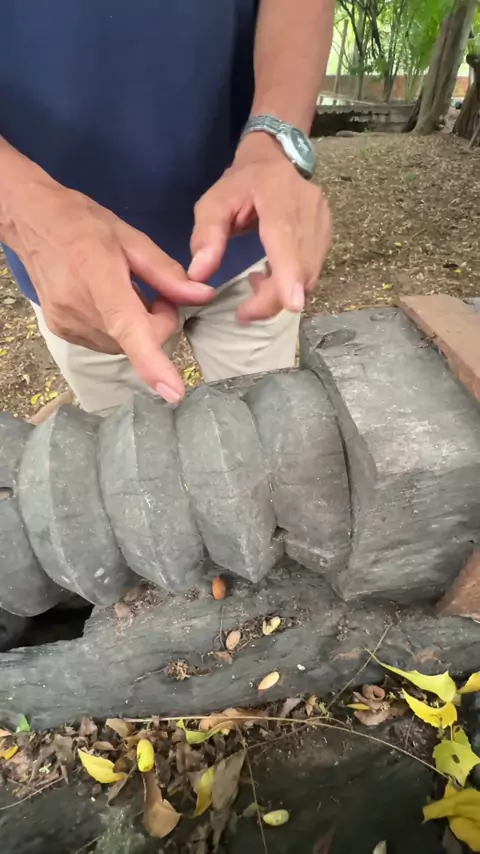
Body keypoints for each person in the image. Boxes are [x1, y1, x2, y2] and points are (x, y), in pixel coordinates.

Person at [0, 0, 333, 416]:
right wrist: (17, 205)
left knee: (271, 425)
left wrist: (277, 138)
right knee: (126, 443)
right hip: (78, 271)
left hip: (251, 234)